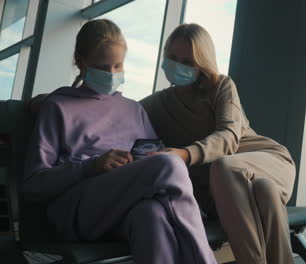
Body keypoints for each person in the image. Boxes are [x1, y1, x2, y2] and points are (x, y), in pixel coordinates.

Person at [23, 19, 216, 264]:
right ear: (81, 62)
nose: (112, 74)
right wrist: (92, 166)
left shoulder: (135, 110)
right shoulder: (57, 107)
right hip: (77, 210)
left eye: (118, 66)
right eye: (103, 67)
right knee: (168, 164)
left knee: (152, 215)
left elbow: (150, 158)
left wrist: (140, 162)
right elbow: (33, 185)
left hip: (124, 207)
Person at [139, 23, 296, 264]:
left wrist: (184, 154)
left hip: (267, 160)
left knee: (226, 166)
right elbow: (121, 116)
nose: (178, 65)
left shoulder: (221, 86)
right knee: (265, 191)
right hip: (224, 191)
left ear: (202, 63)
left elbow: (228, 136)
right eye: (172, 57)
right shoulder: (155, 105)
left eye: (188, 61)